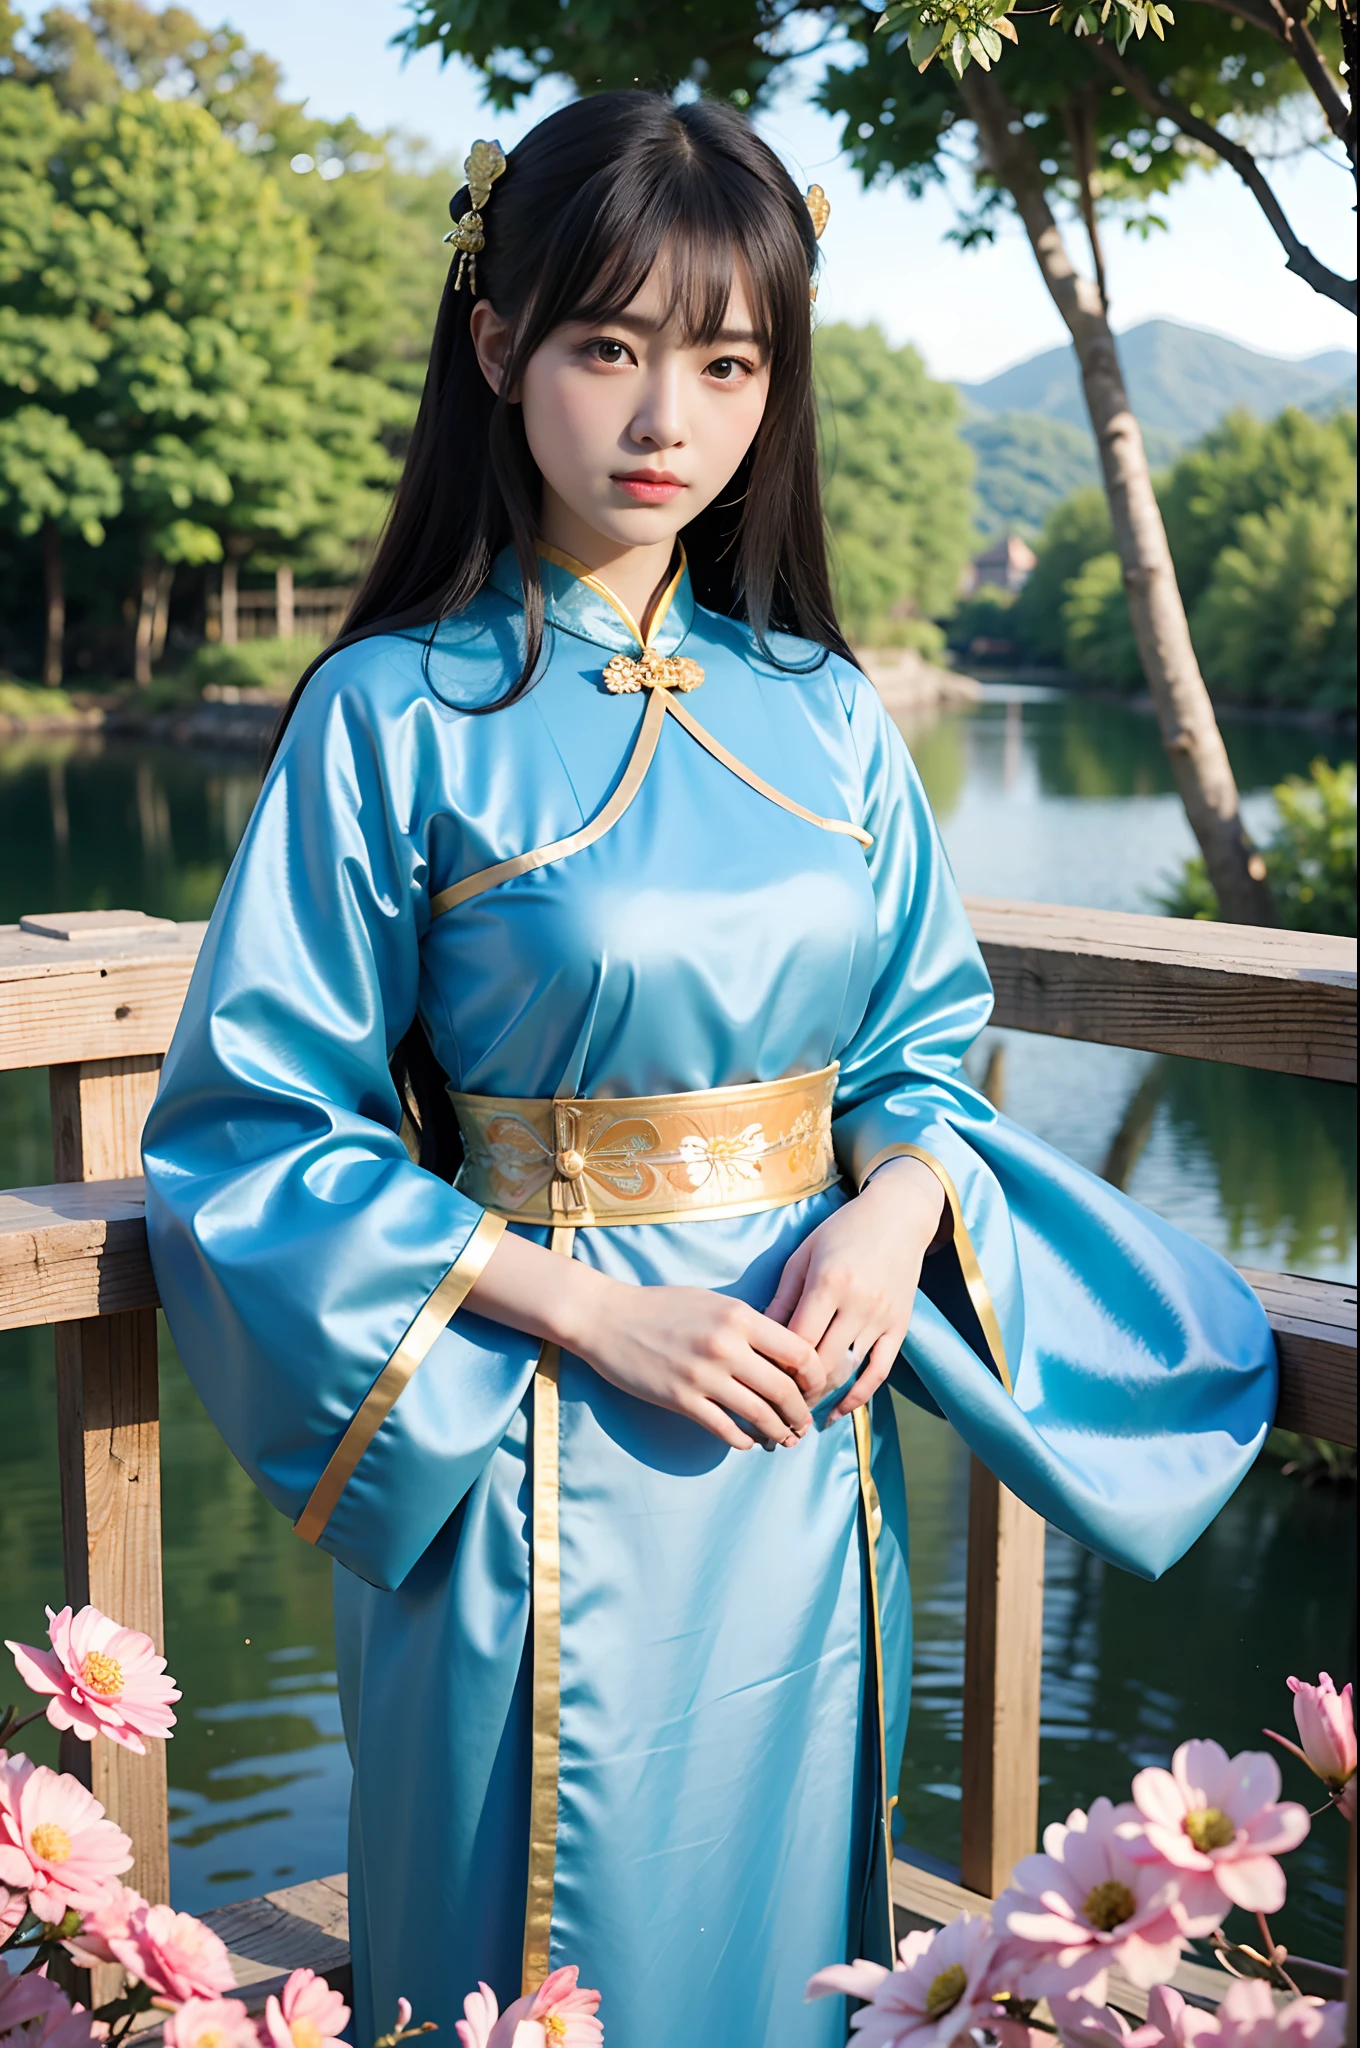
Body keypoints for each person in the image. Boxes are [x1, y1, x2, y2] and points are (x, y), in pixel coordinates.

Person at [142, 92, 1276, 2048]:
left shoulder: (826, 716)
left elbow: (917, 1040)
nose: (666, 418)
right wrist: (592, 1309)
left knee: (787, 1961)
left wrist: (896, 1205)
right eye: (608, 346)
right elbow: (253, 1133)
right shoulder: (386, 717)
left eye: (725, 362)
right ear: (495, 349)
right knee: (522, 1974)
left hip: (798, 1449)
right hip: (517, 1436)